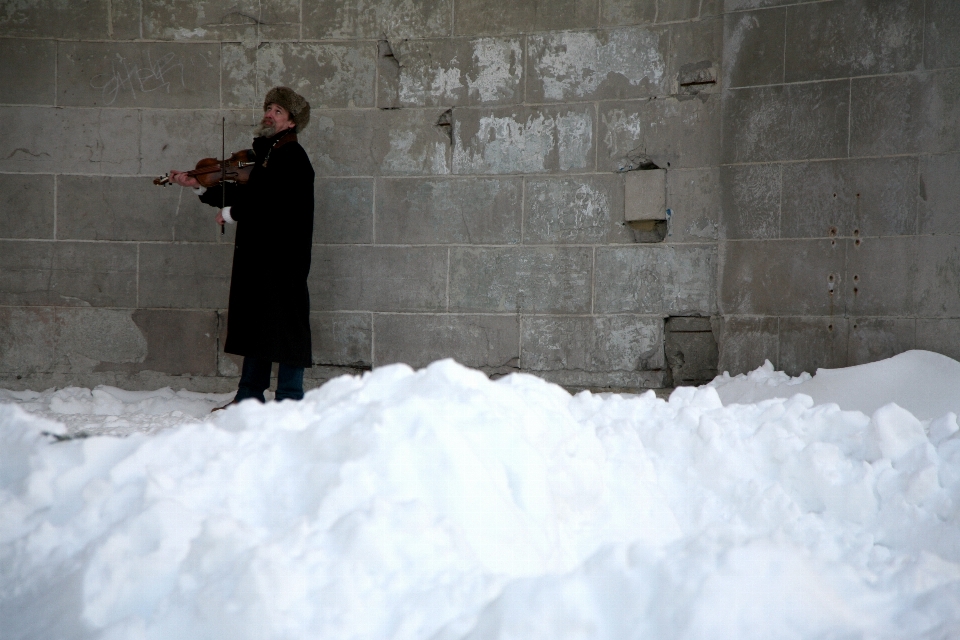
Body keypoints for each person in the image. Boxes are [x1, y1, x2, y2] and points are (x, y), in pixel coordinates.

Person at [168, 87, 315, 405]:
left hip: (283, 257)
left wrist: (232, 213)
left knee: (287, 326)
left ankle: (289, 397)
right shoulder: (265, 155)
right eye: (268, 108)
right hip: (261, 256)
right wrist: (198, 186)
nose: (269, 114)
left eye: (277, 110)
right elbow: (242, 192)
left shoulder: (291, 156)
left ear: (291, 121)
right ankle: (249, 395)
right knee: (257, 322)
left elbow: (275, 202)